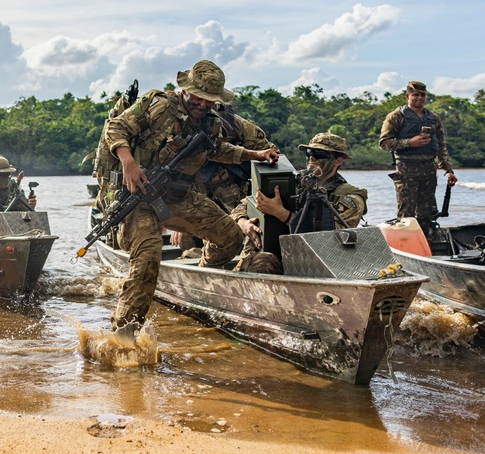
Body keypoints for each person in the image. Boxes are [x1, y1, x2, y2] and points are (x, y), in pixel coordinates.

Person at [102, 60, 279, 333]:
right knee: (148, 258)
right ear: (186, 90)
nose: (203, 104)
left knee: (230, 236)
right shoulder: (158, 106)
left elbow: (217, 150)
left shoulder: (210, 122)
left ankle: (200, 280)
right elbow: (116, 128)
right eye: (199, 98)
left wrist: (253, 154)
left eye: (210, 100)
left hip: (177, 195)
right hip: (139, 194)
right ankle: (123, 333)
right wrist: (129, 164)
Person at [232, 133, 368, 273]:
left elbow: (332, 236)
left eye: (319, 154)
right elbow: (242, 206)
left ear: (337, 161)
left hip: (312, 262)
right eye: (309, 152)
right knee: (261, 260)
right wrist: (244, 223)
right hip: (271, 253)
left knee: (264, 263)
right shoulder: (291, 180)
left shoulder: (349, 196)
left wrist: (281, 213)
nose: (311, 158)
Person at [172, 106, 277, 257]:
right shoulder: (179, 127)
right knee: (183, 231)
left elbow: (273, 161)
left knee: (251, 231)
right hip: (203, 196)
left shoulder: (238, 127)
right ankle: (196, 258)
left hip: (241, 200)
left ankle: (241, 262)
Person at [379, 81, 458, 235]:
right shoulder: (396, 117)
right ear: (407, 96)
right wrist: (410, 142)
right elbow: (384, 143)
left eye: (422, 95)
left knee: (426, 214)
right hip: (406, 169)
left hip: (428, 169)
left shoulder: (433, 118)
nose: (419, 98)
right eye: (415, 95)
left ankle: (425, 243)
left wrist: (448, 170)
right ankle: (405, 244)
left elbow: (441, 146)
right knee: (406, 215)